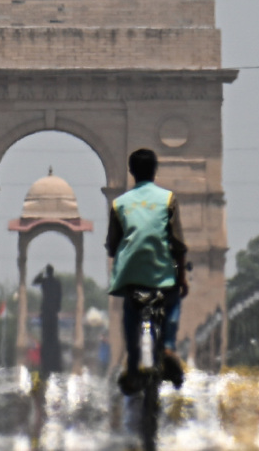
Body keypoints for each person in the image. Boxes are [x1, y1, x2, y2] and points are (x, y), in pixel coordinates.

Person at [105, 147, 188, 394]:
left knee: (131, 311)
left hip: (132, 278)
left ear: (131, 172)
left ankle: (132, 363)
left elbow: (111, 245)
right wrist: (182, 278)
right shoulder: (168, 199)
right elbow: (179, 245)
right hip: (162, 275)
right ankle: (168, 347)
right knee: (173, 300)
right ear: (155, 171)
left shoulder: (119, 204)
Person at [32, 264, 63, 375]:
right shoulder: (57, 282)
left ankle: (48, 362)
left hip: (46, 312)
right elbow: (60, 297)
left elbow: (34, 281)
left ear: (48, 272)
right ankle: (53, 362)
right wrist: (58, 308)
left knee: (47, 336)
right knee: (52, 336)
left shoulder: (44, 281)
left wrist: (41, 273)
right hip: (52, 312)